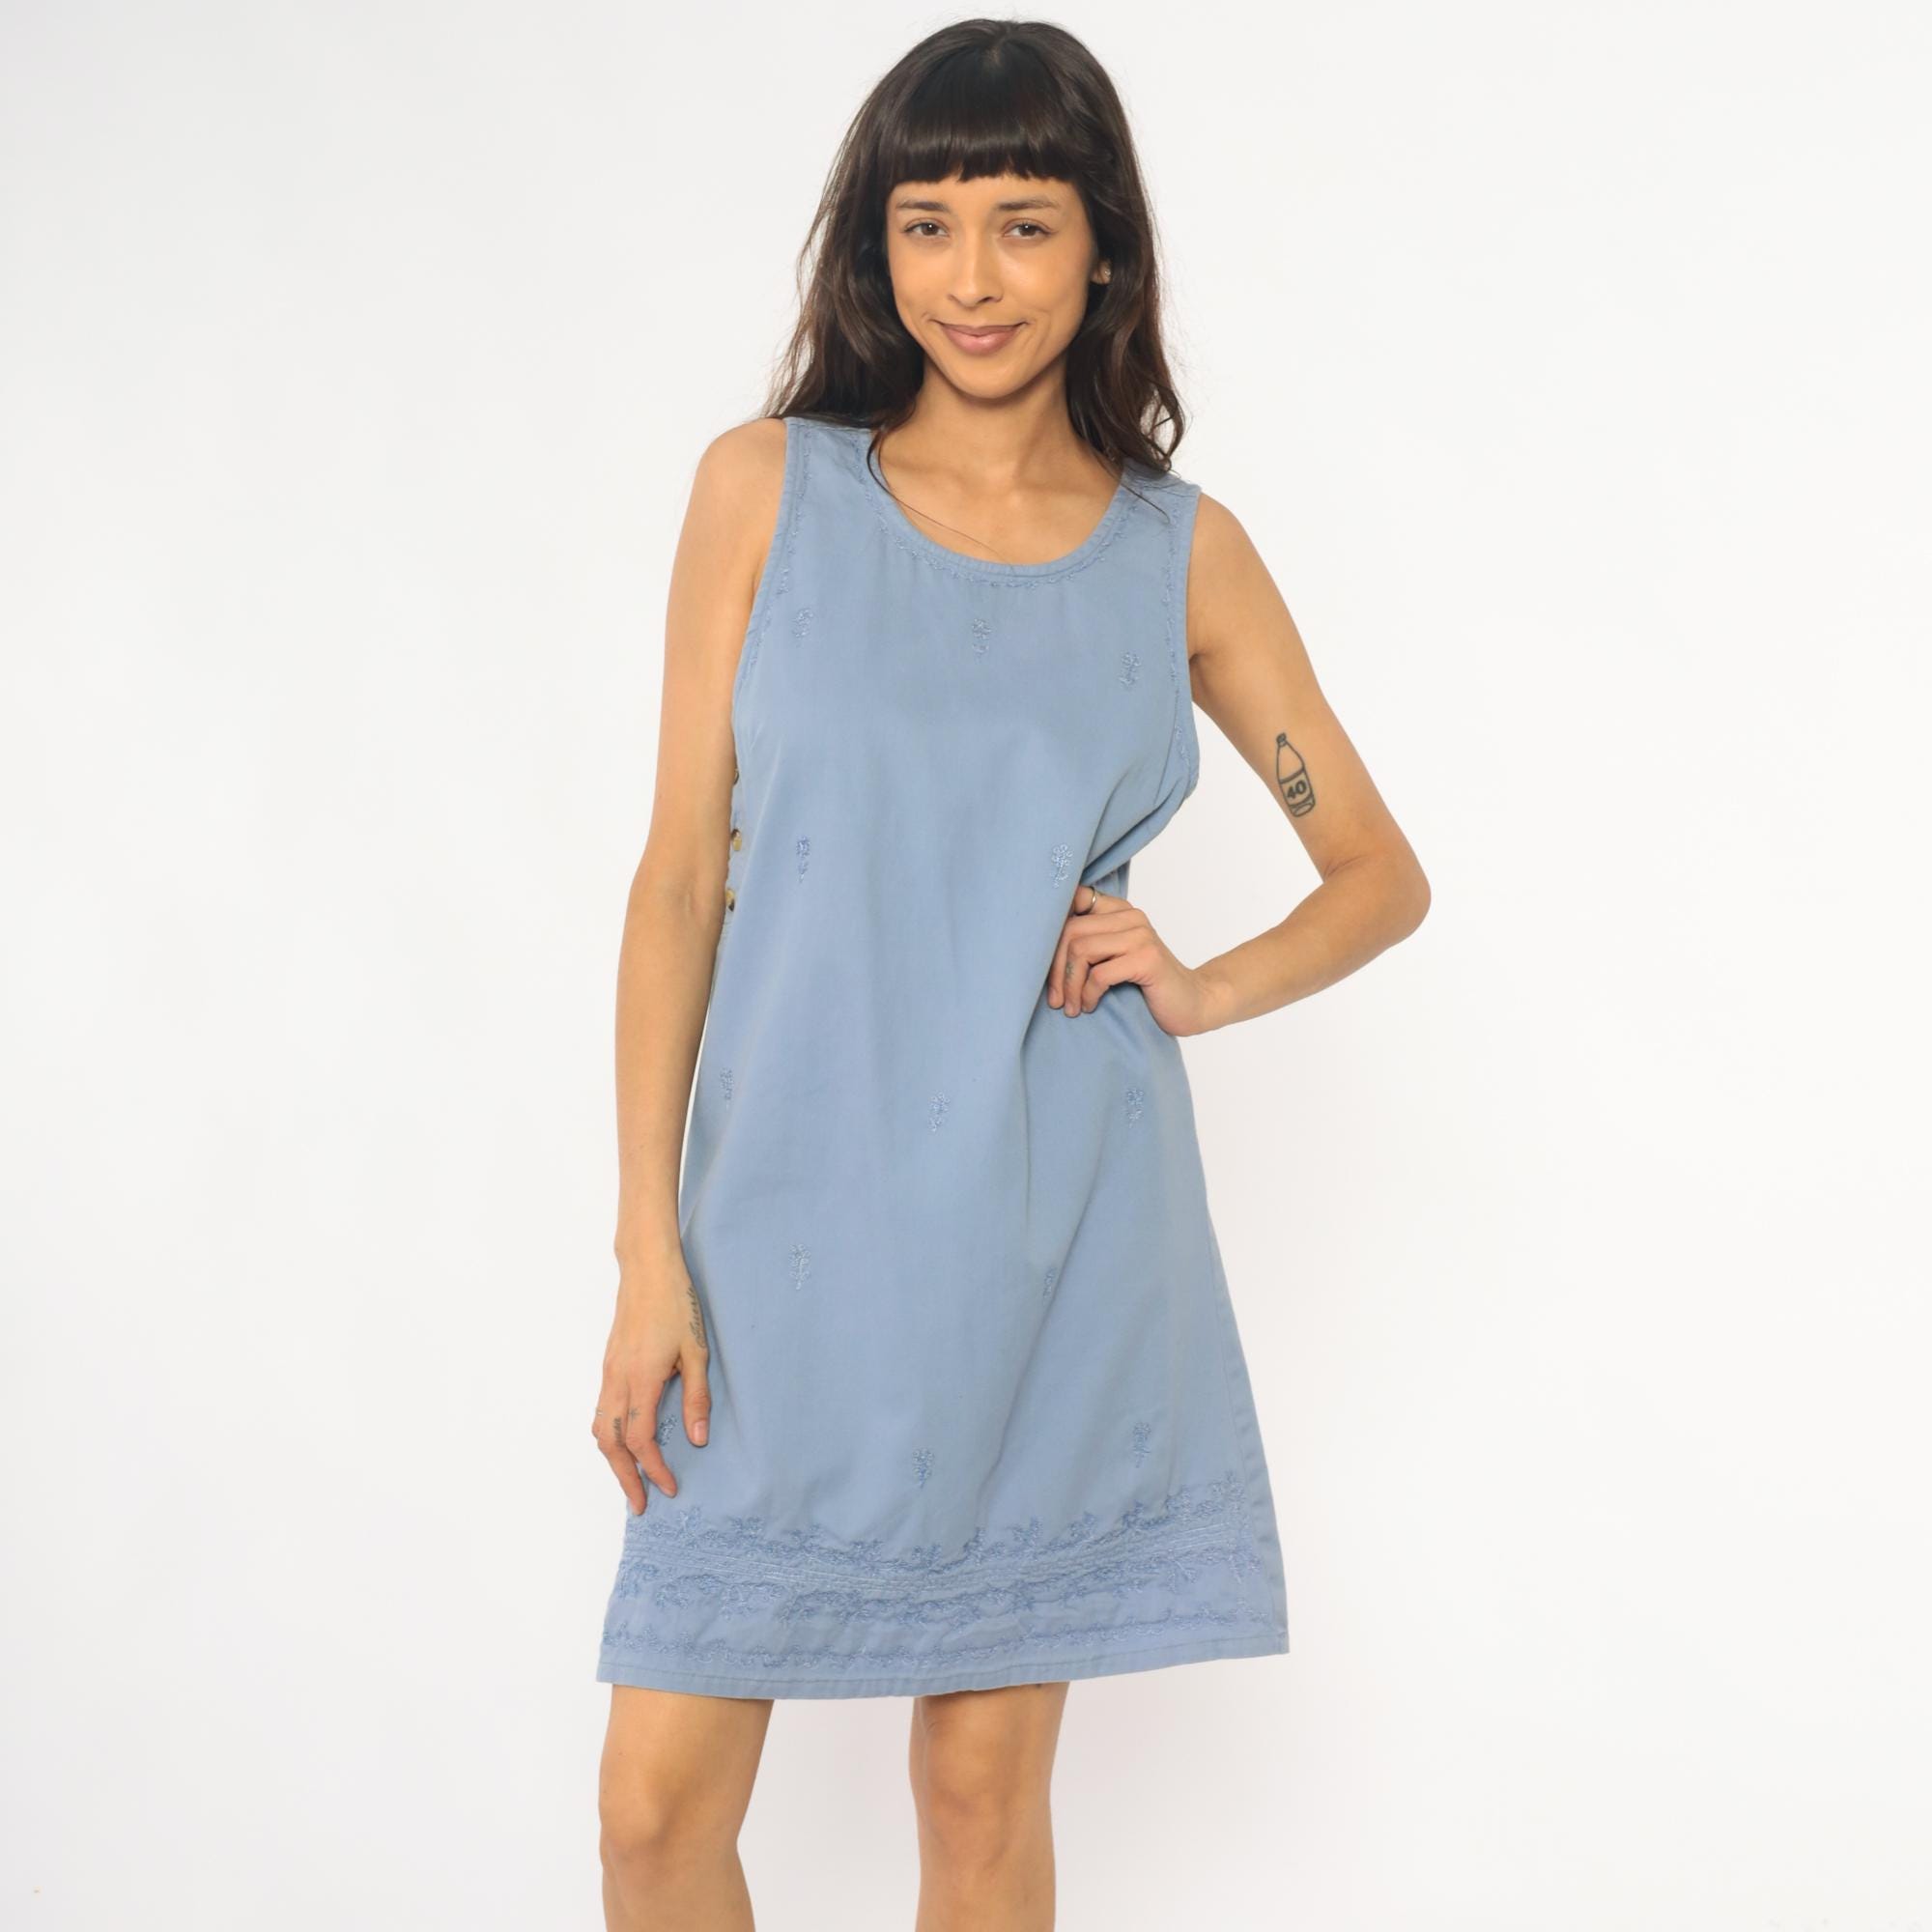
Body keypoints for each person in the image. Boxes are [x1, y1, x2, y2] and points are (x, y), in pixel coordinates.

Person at [590, 19, 1430, 1928]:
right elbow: (676, 888)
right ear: (874, 249)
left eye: (1024, 224)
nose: (970, 277)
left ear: (1103, 249)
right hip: (775, 1240)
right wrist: (646, 1248)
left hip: (1054, 1237)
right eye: (928, 224)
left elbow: (1377, 872)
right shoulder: (761, 490)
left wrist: (1198, 985)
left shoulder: (1175, 556)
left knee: (978, 1798)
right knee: (653, 1809)